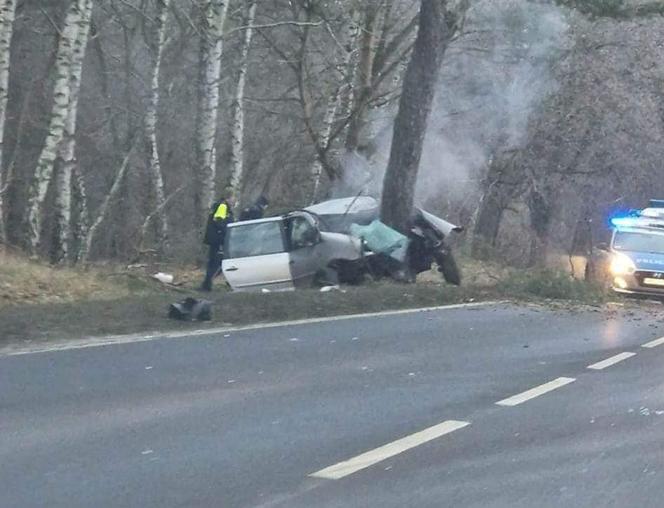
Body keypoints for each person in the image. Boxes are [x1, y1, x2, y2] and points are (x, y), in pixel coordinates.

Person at [200, 196, 234, 291]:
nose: (233, 201)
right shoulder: (223, 207)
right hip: (218, 240)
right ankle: (207, 285)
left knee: (214, 263)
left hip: (215, 240)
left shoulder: (221, 207)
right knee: (216, 263)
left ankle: (207, 284)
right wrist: (226, 232)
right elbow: (219, 221)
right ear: (227, 198)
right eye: (232, 199)